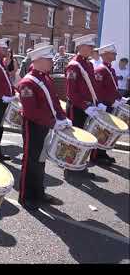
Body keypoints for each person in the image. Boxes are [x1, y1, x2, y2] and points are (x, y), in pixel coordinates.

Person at [18, 45, 71, 211]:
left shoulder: (46, 78)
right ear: (38, 60)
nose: (51, 62)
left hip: (45, 125)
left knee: (40, 160)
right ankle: (26, 196)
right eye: (49, 59)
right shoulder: (28, 82)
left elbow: (54, 102)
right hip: (33, 126)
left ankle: (39, 192)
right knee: (30, 161)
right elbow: (31, 111)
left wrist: (63, 118)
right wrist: (53, 122)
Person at [65, 33, 105, 181]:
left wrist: (96, 102)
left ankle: (80, 165)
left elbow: (92, 86)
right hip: (76, 107)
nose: (92, 49)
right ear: (81, 47)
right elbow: (71, 92)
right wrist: (84, 106)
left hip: (87, 107)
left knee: (85, 139)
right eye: (89, 47)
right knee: (76, 139)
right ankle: (70, 168)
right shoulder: (74, 66)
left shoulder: (87, 64)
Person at [91, 44, 129, 165]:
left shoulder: (110, 69)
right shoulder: (100, 70)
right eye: (113, 53)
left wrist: (119, 98)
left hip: (110, 104)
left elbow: (112, 88)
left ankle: (102, 152)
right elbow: (97, 90)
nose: (115, 55)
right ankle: (95, 155)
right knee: (101, 130)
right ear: (105, 54)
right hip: (104, 105)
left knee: (107, 131)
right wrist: (100, 103)